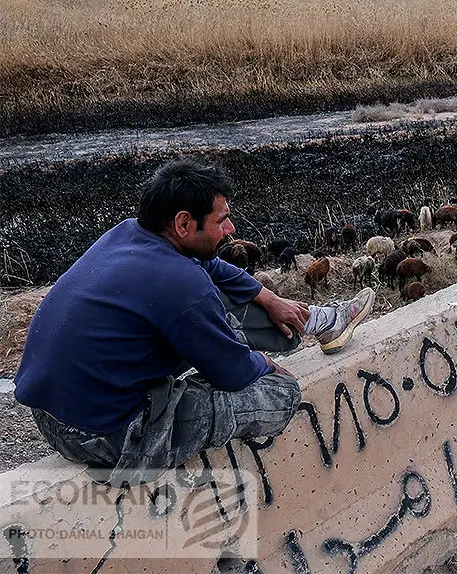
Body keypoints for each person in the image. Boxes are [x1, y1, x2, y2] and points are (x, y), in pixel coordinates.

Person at [14, 158, 374, 484]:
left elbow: (211, 264)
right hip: (102, 435)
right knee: (281, 393)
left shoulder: (129, 233)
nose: (231, 229)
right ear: (184, 223)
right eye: (221, 220)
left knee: (216, 295)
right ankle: (309, 326)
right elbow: (235, 375)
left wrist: (266, 295)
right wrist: (260, 361)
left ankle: (316, 322)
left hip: (50, 411)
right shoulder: (180, 282)